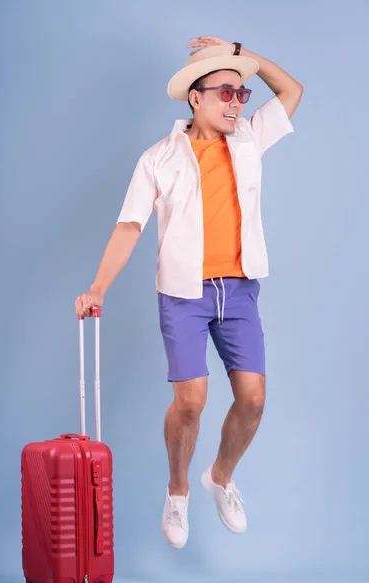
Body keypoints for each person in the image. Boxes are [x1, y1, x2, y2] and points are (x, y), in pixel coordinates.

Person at [75, 35, 303, 549]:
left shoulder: (248, 138)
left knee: (254, 399)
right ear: (195, 98)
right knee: (192, 403)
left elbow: (292, 91)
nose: (237, 102)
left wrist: (243, 55)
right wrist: (97, 288)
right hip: (183, 294)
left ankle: (219, 477)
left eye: (242, 94)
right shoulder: (158, 158)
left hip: (240, 290)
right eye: (226, 92)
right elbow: (130, 226)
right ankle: (177, 490)